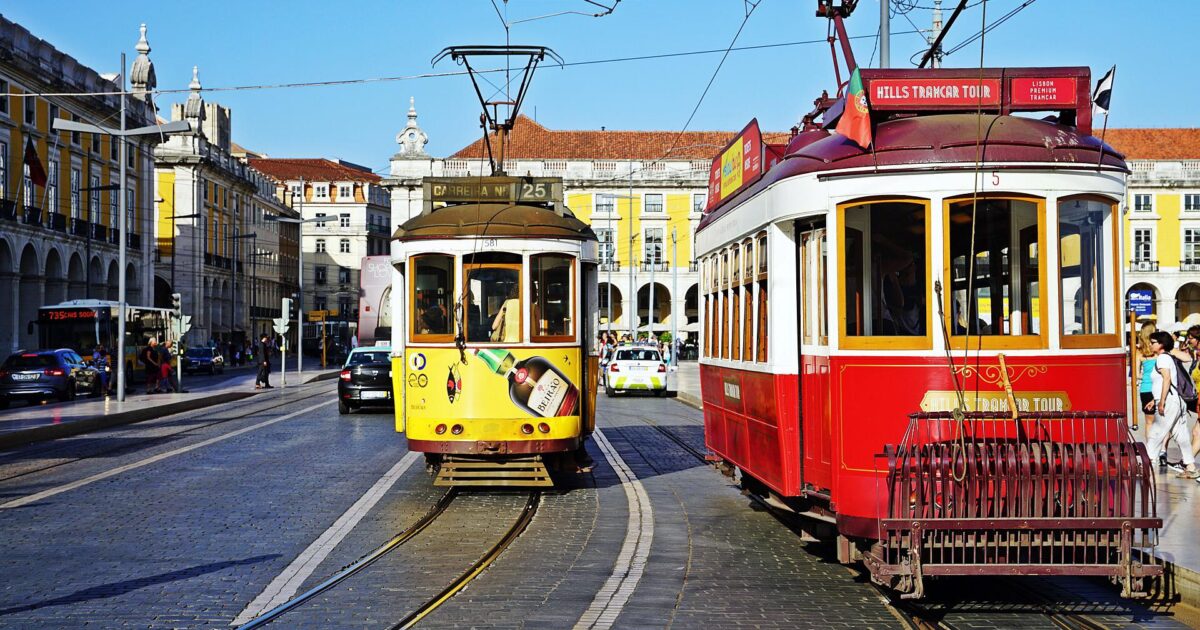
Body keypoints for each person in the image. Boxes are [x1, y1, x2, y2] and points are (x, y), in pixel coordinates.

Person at [1145, 331, 1199, 479]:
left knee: (1157, 432)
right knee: (1181, 435)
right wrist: (1155, 399)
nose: (1150, 344)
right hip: (1177, 400)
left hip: (1169, 401)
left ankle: (1145, 464)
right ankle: (1191, 466)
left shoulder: (1162, 358)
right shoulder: (1169, 357)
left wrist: (1161, 401)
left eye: (1153, 342)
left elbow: (1167, 379)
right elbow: (1165, 382)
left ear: (1161, 344)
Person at [1136, 322, 1157, 434]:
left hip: (1146, 389)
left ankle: (1150, 448)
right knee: (1163, 422)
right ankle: (1161, 449)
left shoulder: (1139, 352)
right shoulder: (1158, 350)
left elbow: (1137, 374)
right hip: (1160, 388)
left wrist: (1145, 376)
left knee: (1149, 422)